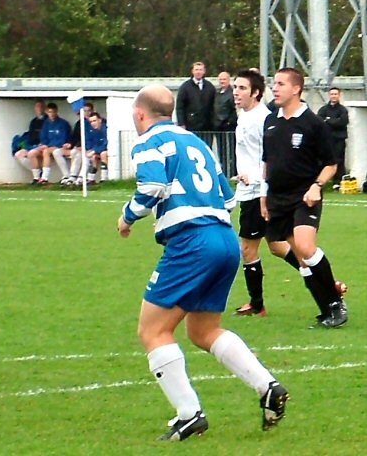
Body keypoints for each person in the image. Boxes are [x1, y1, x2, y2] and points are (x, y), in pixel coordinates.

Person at [117, 84, 288, 441]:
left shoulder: (149, 141)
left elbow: (151, 187)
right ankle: (267, 387)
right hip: (224, 238)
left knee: (153, 330)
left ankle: (189, 414)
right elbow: (226, 196)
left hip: (192, 242)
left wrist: (127, 217)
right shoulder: (196, 142)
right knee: (202, 330)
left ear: (140, 114)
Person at [261, 68, 348, 328]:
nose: (275, 88)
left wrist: (317, 186)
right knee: (298, 257)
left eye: (280, 84)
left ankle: (335, 304)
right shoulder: (271, 121)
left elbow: (331, 164)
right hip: (277, 197)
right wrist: (264, 196)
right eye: (273, 83)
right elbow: (267, 162)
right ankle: (327, 310)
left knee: (306, 247)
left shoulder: (313, 123)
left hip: (304, 196)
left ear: (296, 89)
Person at [233, 70, 300, 316]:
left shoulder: (263, 120)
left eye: (241, 88)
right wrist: (242, 172)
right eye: (235, 88)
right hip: (250, 190)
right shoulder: (245, 116)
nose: (236, 93)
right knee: (277, 245)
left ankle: (257, 304)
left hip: (257, 194)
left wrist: (259, 183)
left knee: (248, 248)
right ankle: (326, 281)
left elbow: (270, 158)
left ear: (256, 92)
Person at [29, 103, 71, 185]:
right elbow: (43, 137)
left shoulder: (63, 124)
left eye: (53, 112)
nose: (51, 114)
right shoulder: (46, 123)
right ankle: (36, 177)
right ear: (46, 112)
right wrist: (44, 144)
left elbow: (63, 139)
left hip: (58, 147)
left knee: (46, 151)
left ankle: (44, 177)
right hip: (47, 146)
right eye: (49, 112)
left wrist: (49, 146)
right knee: (31, 153)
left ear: (56, 112)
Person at [176, 61, 215, 145]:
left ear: (204, 71)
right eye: (196, 69)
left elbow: (214, 106)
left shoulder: (210, 87)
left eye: (200, 70)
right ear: (192, 71)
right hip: (191, 126)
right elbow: (180, 106)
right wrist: (181, 123)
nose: (198, 72)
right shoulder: (185, 87)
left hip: (207, 127)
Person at [317, 87, 349, 190]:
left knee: (339, 160)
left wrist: (329, 120)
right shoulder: (323, 109)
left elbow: (343, 122)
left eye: (335, 94)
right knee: (323, 161)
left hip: (339, 139)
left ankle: (337, 182)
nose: (333, 96)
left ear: (339, 95)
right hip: (326, 140)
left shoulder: (343, 109)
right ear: (329, 95)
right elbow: (319, 121)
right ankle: (321, 182)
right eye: (332, 94)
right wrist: (333, 121)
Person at [55, 102, 94, 186]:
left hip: (89, 149)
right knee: (57, 152)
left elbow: (93, 139)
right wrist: (70, 144)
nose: (87, 113)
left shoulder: (93, 123)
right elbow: (74, 137)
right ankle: (66, 176)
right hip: (78, 148)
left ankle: (76, 177)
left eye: (88, 111)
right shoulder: (79, 123)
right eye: (84, 111)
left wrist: (82, 147)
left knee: (77, 153)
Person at [13, 99, 48, 184]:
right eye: (37, 107)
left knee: (31, 153)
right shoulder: (33, 121)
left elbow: (47, 136)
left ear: (44, 108)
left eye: (41, 107)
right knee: (18, 154)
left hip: (43, 146)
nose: (39, 109)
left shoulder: (47, 120)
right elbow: (31, 136)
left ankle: (37, 177)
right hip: (33, 145)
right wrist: (29, 146)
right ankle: (37, 172)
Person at [213, 71, 237, 177]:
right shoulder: (217, 93)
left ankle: (232, 172)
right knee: (221, 151)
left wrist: (228, 122)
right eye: (220, 79)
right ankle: (224, 172)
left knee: (231, 150)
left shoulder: (232, 93)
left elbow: (234, 110)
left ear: (229, 80)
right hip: (218, 127)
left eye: (224, 79)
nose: (222, 81)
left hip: (229, 127)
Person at [86, 111, 108, 183]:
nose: (93, 123)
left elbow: (106, 144)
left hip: (107, 150)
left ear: (100, 120)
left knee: (103, 154)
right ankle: (91, 179)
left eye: (94, 121)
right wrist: (90, 150)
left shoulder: (106, 129)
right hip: (97, 150)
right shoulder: (91, 130)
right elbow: (89, 141)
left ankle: (104, 179)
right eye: (91, 121)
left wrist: (94, 150)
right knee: (93, 157)